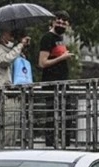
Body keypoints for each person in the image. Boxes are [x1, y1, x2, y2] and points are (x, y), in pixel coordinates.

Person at [38, 10, 74, 147]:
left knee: (68, 112)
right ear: (53, 22)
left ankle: (66, 141)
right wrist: (62, 58)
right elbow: (42, 63)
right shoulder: (48, 38)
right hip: (51, 83)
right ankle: (50, 142)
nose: (61, 24)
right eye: (58, 21)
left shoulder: (60, 38)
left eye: (64, 22)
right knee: (52, 114)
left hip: (63, 82)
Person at [0, 28, 31, 147]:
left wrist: (22, 49)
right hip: (4, 96)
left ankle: (10, 148)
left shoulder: (12, 51)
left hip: (13, 95)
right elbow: (6, 60)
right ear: (2, 37)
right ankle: (4, 150)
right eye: (9, 34)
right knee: (6, 128)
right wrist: (20, 46)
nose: (12, 36)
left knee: (14, 127)